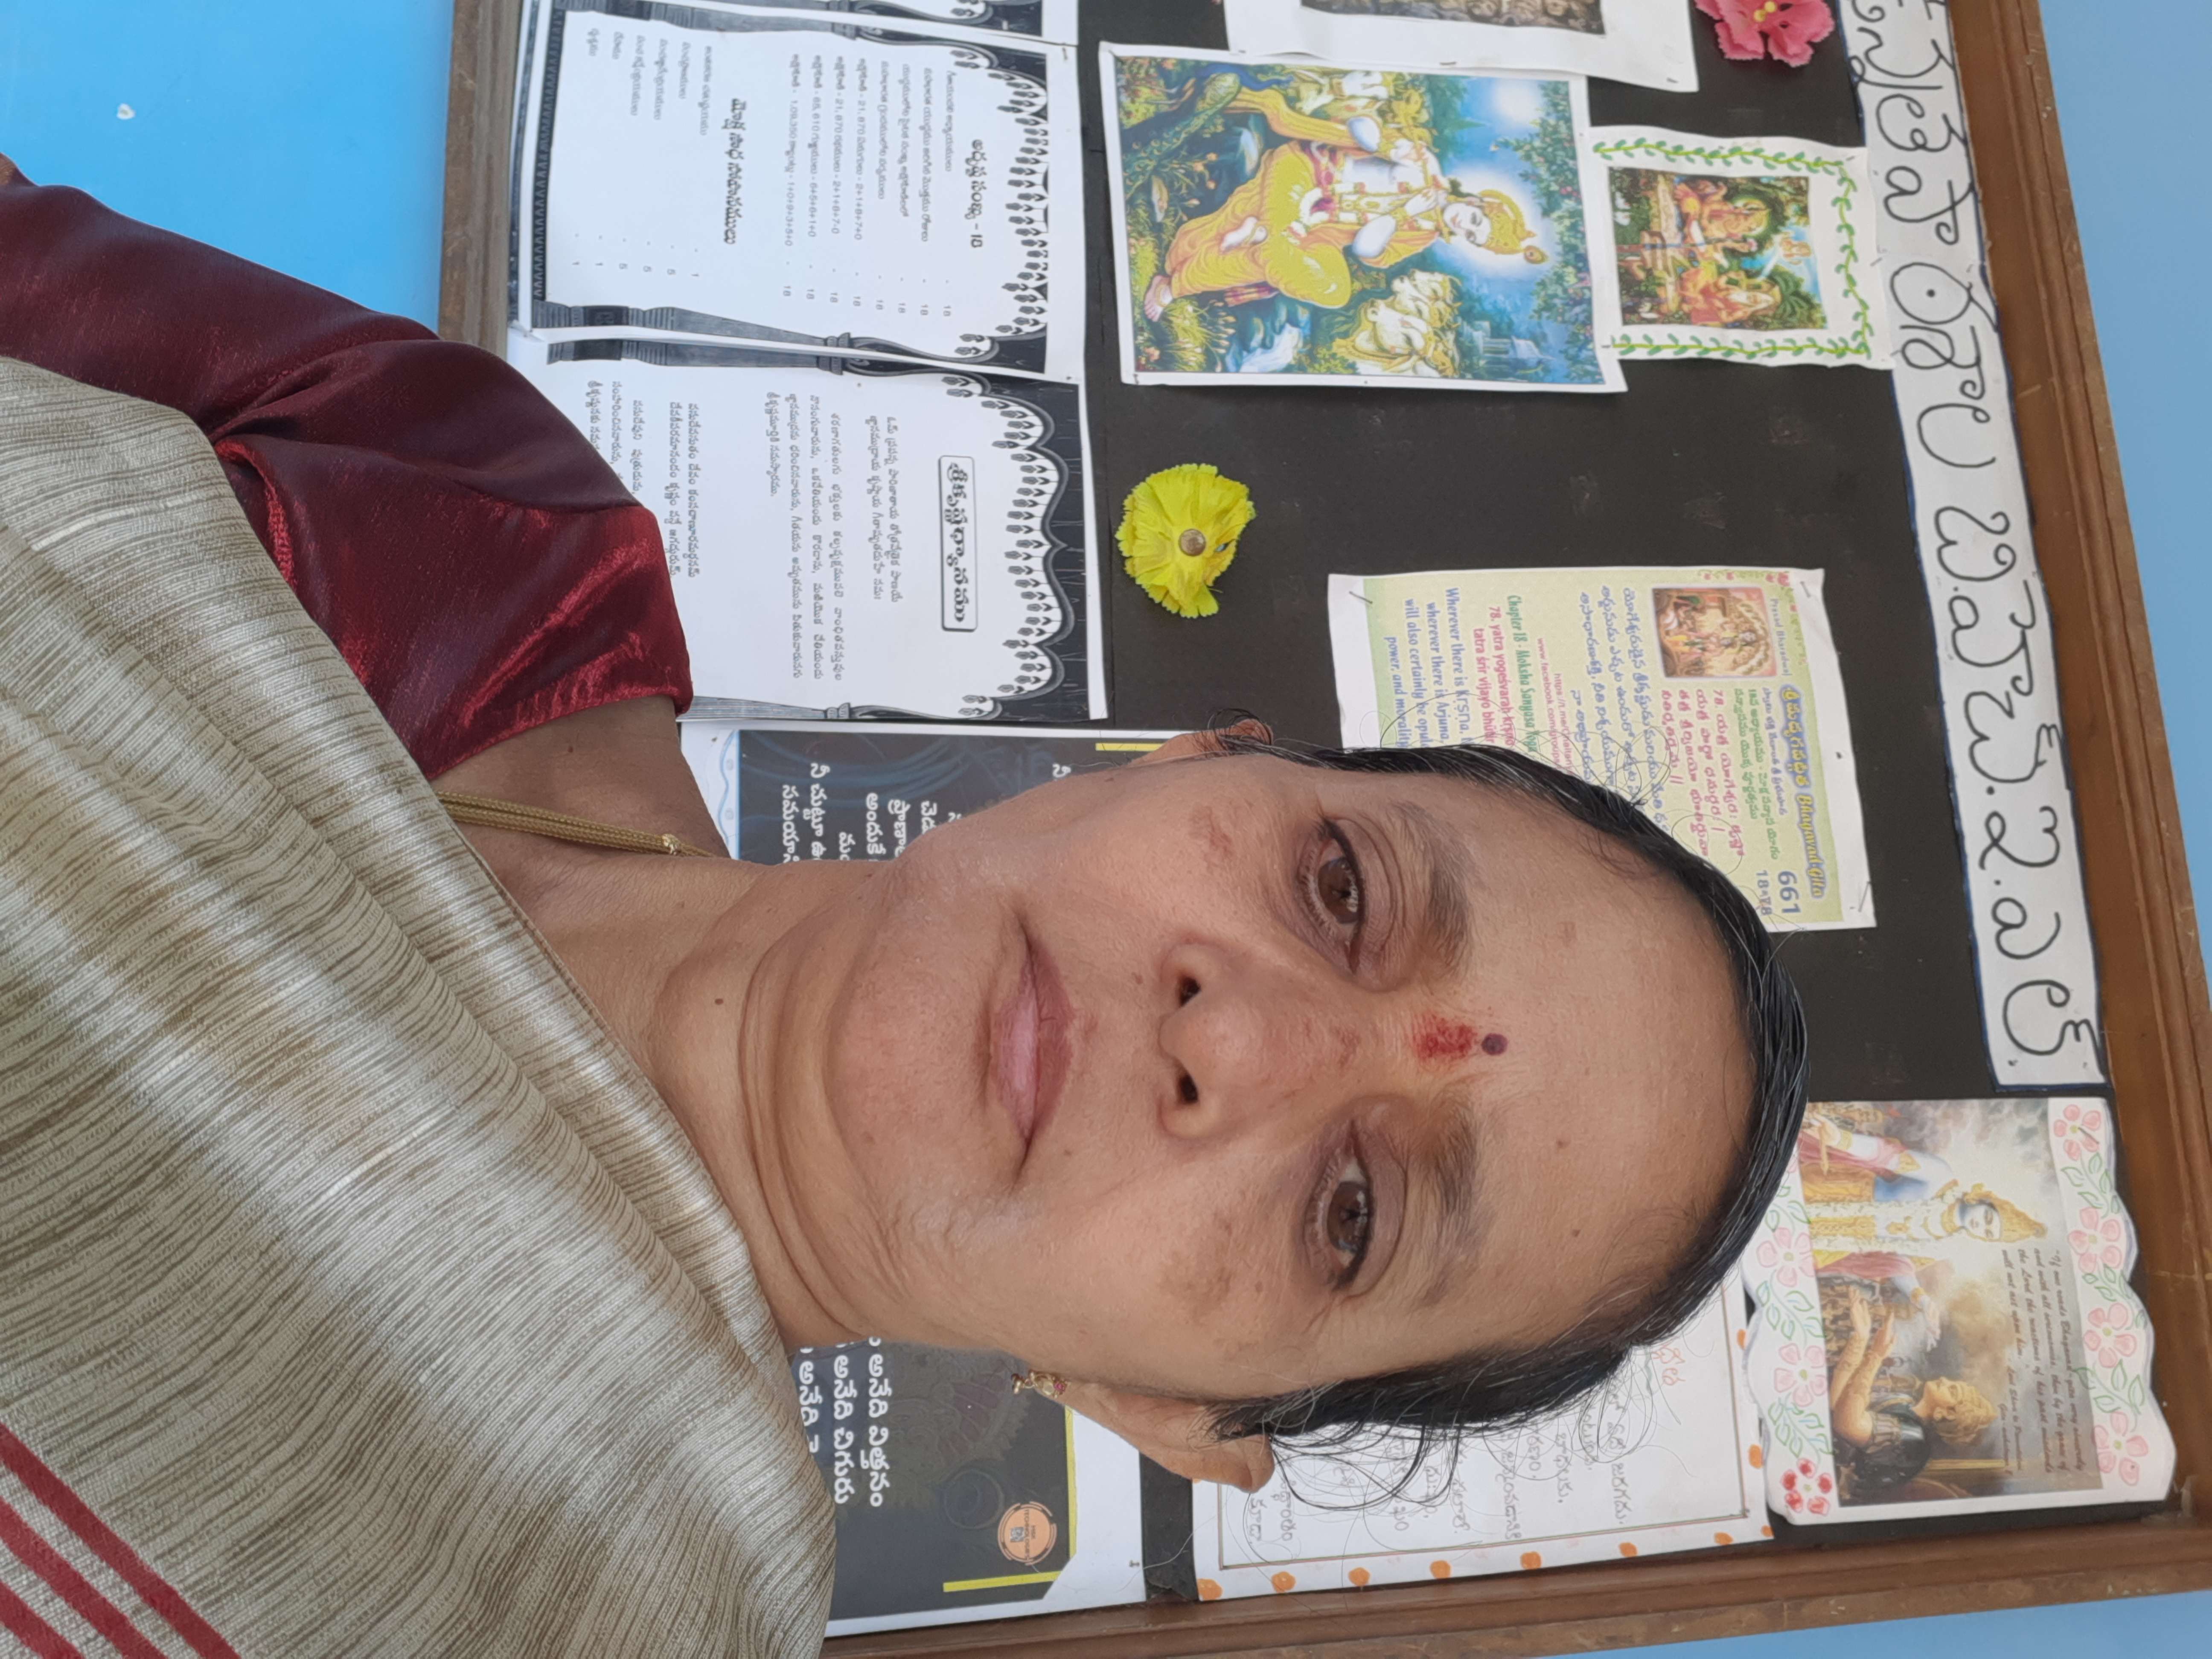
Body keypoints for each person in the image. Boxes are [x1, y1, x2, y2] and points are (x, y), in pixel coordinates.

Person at [0, 171, 1806, 1653]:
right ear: (1185, 759)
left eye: (1353, 1215)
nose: (1239, 1033)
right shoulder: (465, 520)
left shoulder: (589, 1620)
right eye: (1339, 886)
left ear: (1168, 1415)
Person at [1142, 86, 1543, 320]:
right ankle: (1177, 285)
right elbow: (1363, 133)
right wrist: (1389, 146)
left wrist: (1405, 213)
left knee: (1335, 291)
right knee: (1271, 246)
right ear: (1474, 201)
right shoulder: (1426, 164)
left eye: (1472, 236)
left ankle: (1255, 238)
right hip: (1305, 174)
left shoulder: (1421, 235)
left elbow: (1366, 248)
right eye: (1474, 219)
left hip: (1320, 233)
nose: (1463, 226)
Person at [1828, 1287, 2000, 1503]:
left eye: (1952, 1390)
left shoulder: (1912, 1437)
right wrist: (1861, 1338)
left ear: (1945, 1414)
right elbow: (1837, 1405)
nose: (1945, 1380)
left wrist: (1876, 1355)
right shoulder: (1904, 1402)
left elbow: (1846, 1425)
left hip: (1833, 1486)